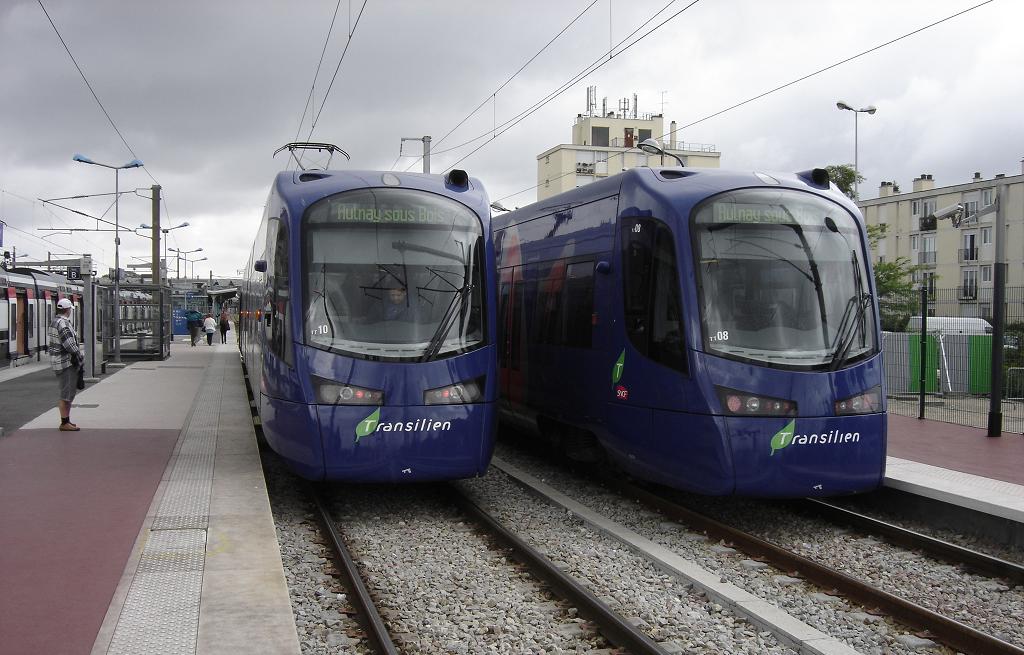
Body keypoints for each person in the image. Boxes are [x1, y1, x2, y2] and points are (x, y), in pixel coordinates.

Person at [49, 298, 83, 431]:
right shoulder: (63, 324)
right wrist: (79, 355)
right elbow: (70, 345)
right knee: (66, 393)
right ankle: (64, 423)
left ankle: (66, 421)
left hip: (58, 361)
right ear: (68, 310)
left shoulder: (54, 322)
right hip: (66, 363)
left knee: (68, 392)